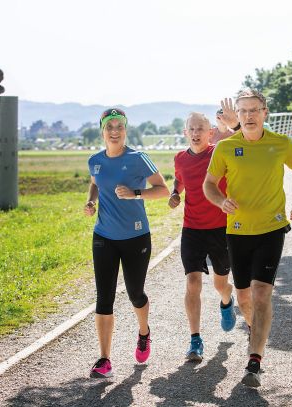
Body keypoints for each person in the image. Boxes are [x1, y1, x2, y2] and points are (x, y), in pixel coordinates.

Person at [203, 88, 292, 388]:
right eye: (243, 111)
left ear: (265, 112)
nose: (249, 116)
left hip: (272, 228)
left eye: (254, 110)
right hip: (237, 231)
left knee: (262, 293)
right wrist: (220, 200)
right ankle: (253, 328)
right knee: (245, 297)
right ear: (238, 114)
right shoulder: (226, 147)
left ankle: (254, 360)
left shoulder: (280, 143)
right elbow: (209, 184)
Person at [85, 108, 170, 378]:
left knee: (135, 293)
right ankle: (104, 359)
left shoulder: (138, 158)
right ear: (102, 130)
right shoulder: (95, 161)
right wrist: (91, 201)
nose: (114, 131)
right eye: (109, 126)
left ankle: (144, 332)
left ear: (125, 130)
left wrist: (135, 193)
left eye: (119, 126)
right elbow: (96, 182)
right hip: (104, 236)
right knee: (104, 297)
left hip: (135, 237)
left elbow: (163, 190)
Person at [168, 112, 236, 363]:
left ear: (210, 133)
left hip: (220, 228)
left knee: (220, 284)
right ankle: (195, 340)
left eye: (201, 129)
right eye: (191, 129)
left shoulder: (220, 152)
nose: (196, 133)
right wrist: (175, 193)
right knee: (193, 282)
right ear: (186, 132)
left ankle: (227, 300)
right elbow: (180, 178)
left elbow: (240, 140)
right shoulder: (180, 158)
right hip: (192, 228)